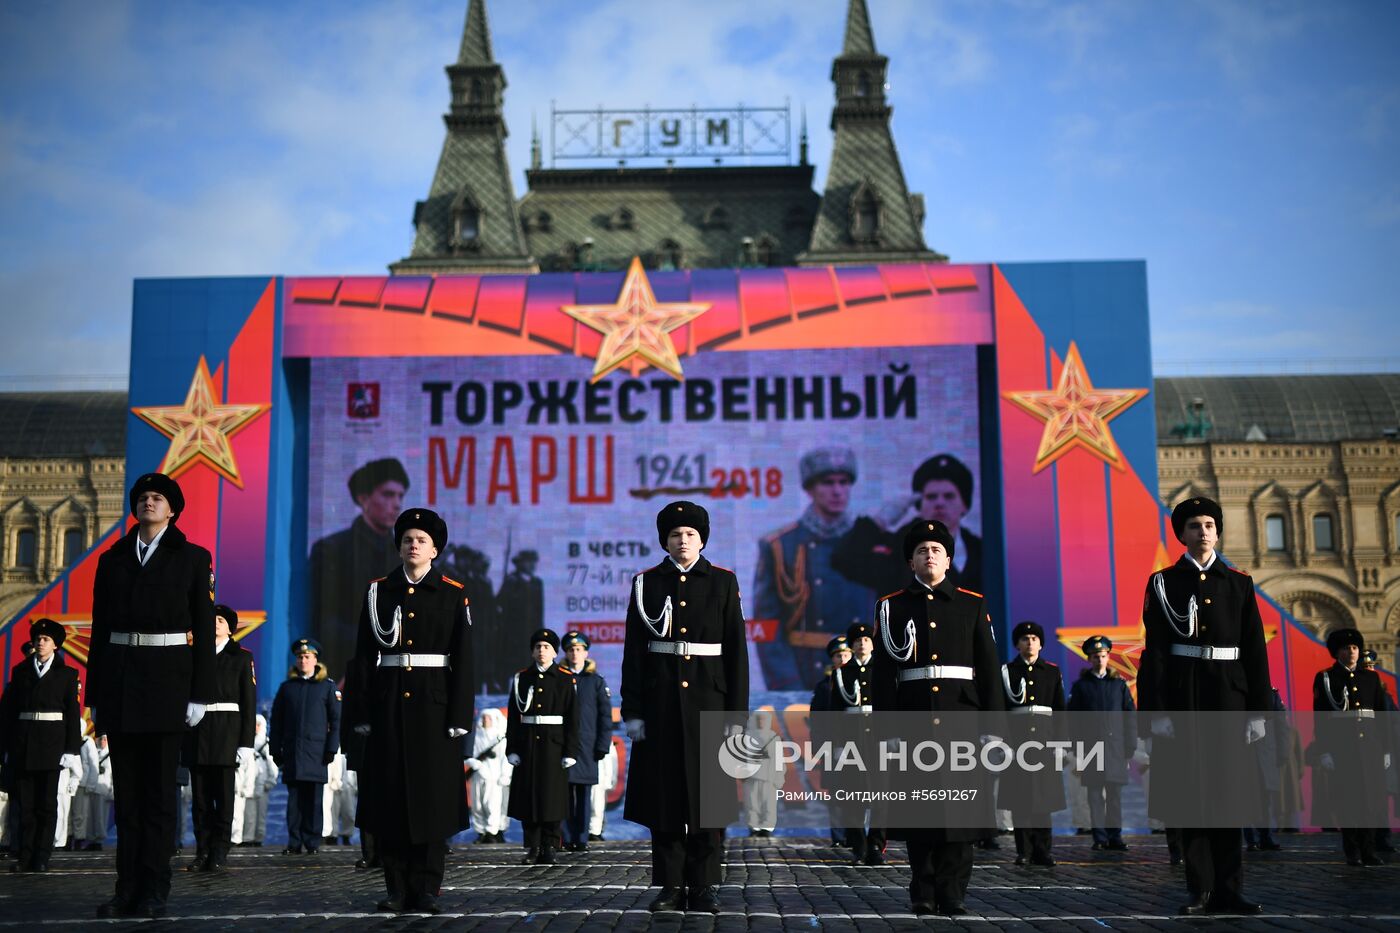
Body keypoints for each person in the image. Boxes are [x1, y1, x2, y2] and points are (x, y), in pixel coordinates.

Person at [87, 473, 216, 918]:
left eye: (157, 498)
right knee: (128, 799)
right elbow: (100, 631)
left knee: (159, 796)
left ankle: (155, 889)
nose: (148, 503)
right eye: (142, 497)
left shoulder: (193, 559)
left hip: (167, 686)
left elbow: (203, 627)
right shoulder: (113, 559)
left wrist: (201, 693)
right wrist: (96, 699)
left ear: (173, 509)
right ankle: (127, 888)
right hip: (122, 685)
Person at [1137, 497, 1271, 916]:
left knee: (1229, 797)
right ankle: (1202, 890)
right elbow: (1155, 651)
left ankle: (1231, 889)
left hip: (1229, 698)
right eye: (1194, 525)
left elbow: (1254, 650)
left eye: (1210, 524)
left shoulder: (1239, 583)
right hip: (1185, 696)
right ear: (1182, 534)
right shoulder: (1163, 583)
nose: (1203, 531)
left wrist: (1257, 711)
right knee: (1191, 796)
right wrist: (1156, 713)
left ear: (1218, 531)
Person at [344, 507, 474, 915]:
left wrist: (458, 718)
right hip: (387, 706)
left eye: (420, 540)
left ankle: (428, 888)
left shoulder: (452, 593)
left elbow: (465, 661)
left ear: (435, 550)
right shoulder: (377, 591)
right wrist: (361, 713)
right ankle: (396, 887)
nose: (412, 545)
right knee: (390, 798)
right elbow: (364, 657)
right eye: (406, 540)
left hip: (434, 710)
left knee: (431, 800)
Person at [621, 501, 749, 914]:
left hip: (709, 701)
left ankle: (705, 884)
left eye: (690, 534)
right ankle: (671, 885)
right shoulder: (646, 584)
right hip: (660, 704)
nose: (683, 541)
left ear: (702, 539)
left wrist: (736, 715)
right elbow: (634, 653)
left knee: (709, 798)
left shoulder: (724, 582)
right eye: (675, 534)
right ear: (665, 540)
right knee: (666, 798)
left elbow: (737, 654)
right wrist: (634, 710)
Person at [870, 521, 1002, 917]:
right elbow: (882, 675)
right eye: (923, 550)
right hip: (912, 720)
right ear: (911, 560)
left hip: (962, 717)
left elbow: (989, 670)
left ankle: (954, 891)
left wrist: (993, 729)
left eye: (937, 549)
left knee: (961, 812)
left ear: (949, 558)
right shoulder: (891, 606)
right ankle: (922, 889)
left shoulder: (971, 603)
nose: (930, 555)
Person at [753, 447, 874, 691]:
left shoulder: (873, 543)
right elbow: (766, 627)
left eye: (843, 482)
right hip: (805, 673)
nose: (837, 491)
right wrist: (788, 686)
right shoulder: (780, 545)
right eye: (827, 483)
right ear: (810, 489)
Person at [308, 457, 410, 680]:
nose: (397, 504)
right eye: (388, 494)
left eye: (400, 496)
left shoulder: (405, 556)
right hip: (345, 668)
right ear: (363, 498)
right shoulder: (332, 549)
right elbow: (323, 620)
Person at [833, 453, 983, 599]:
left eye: (949, 496)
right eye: (931, 497)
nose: (939, 503)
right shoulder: (897, 549)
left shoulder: (980, 550)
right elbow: (844, 559)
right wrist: (880, 521)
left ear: (964, 505)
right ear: (919, 504)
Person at [0, 618, 82, 874]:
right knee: (25, 804)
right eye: (37, 639)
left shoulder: (67, 675)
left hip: (50, 745)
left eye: (45, 639)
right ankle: (25, 855)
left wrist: (71, 750)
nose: (40, 643)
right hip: (23, 744)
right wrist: (4, 748)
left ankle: (42, 856)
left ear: (55, 645)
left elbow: (71, 715)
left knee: (46, 805)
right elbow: (8, 713)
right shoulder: (21, 671)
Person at [184, 605, 255, 872]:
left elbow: (249, 702)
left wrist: (246, 743)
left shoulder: (241, 657)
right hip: (198, 732)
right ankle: (202, 850)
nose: (215, 623)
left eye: (221, 620)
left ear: (230, 627)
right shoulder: (194, 655)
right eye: (211, 619)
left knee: (224, 799)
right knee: (200, 800)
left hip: (227, 733)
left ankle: (219, 851)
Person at [1312, 628, 1390, 866]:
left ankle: (1369, 851)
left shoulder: (1371, 678)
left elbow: (1381, 715)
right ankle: (1352, 851)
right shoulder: (1326, 678)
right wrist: (1324, 750)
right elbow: (1321, 717)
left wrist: (1385, 748)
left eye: (1355, 647)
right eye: (1347, 648)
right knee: (1347, 800)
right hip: (1342, 748)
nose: (1352, 652)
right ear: (1337, 652)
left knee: (1371, 800)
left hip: (1369, 748)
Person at [505, 628, 578, 865]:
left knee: (552, 798)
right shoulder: (521, 678)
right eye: (537, 647)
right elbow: (513, 717)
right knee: (529, 797)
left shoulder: (566, 678)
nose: (541, 651)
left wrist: (570, 751)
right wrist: (512, 749)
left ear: (555, 652)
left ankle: (550, 846)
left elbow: (573, 718)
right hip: (528, 745)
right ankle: (533, 846)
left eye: (546, 647)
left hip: (554, 746)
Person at [998, 621, 1065, 867]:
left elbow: (1059, 711)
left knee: (1043, 799)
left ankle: (1043, 850)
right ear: (1017, 643)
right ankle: (1023, 850)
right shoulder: (1007, 671)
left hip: (1044, 742)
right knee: (1020, 798)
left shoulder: (1051, 671)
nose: (1030, 642)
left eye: (1035, 638)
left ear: (1041, 643)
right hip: (1017, 743)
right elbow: (1001, 710)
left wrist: (1060, 744)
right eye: (1025, 638)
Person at [269, 638, 341, 857]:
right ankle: (294, 841)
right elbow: (277, 721)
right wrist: (275, 749)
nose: (303, 660)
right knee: (294, 802)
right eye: (300, 657)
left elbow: (336, 720)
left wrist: (331, 748)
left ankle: (312, 841)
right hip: (293, 752)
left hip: (316, 753)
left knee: (313, 801)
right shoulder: (287, 688)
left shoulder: (326, 687)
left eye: (307, 657)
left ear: (315, 660)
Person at [1066, 635, 1136, 852]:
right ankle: (1100, 837)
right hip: (1091, 749)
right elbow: (1073, 721)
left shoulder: (1118, 685)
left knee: (1114, 797)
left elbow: (1129, 717)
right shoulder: (1081, 687)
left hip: (1115, 749)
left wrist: (1129, 748)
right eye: (1095, 656)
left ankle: (1115, 836)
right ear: (1089, 658)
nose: (1100, 659)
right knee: (1095, 796)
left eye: (1103, 655)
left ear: (1108, 657)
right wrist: (1077, 751)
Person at [829, 622, 885, 865]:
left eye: (866, 640)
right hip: (852, 737)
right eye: (857, 641)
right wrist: (838, 745)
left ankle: (876, 845)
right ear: (851, 646)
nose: (862, 644)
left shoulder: (883, 668)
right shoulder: (842, 673)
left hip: (879, 737)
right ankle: (858, 845)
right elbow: (835, 712)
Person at [558, 631, 613, 853]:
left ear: (586, 653)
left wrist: (602, 745)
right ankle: (564, 837)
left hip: (587, 746)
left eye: (579, 650)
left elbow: (605, 716)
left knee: (584, 795)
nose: (575, 653)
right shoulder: (559, 678)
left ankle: (580, 838)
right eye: (571, 650)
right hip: (562, 745)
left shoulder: (596, 681)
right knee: (562, 794)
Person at [495, 550, 544, 692]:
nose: (532, 565)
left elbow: (539, 610)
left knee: (530, 664)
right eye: (528, 562)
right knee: (512, 666)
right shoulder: (512, 581)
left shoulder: (536, 583)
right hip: (513, 633)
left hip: (531, 631)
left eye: (533, 562)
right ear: (520, 564)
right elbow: (499, 603)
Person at [467, 708, 511, 844]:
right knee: (477, 805)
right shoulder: (476, 737)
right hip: (478, 777)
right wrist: (472, 762)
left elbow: (505, 758)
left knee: (493, 805)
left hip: (494, 777)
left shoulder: (500, 738)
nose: (485, 720)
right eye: (484, 718)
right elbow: (467, 754)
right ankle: (481, 832)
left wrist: (505, 775)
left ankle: (492, 832)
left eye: (489, 718)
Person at [741, 710, 785, 837]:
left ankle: (767, 827)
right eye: (759, 719)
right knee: (752, 803)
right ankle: (753, 826)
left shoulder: (774, 738)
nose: (761, 722)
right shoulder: (747, 738)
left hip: (769, 777)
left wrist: (780, 776)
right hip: (752, 776)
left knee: (769, 804)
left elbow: (779, 760)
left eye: (764, 719)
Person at [235, 714, 277, 847]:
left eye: (259, 725)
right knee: (247, 814)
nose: (256, 728)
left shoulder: (266, 744)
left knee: (261, 815)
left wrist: (270, 782)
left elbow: (272, 764)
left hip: (262, 784)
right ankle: (245, 838)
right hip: (247, 784)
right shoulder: (245, 742)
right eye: (254, 724)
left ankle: (258, 838)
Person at [72, 730, 112, 850]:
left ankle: (98, 840)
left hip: (103, 788)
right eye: (100, 739)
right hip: (94, 788)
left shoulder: (108, 754)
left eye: (105, 739)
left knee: (100, 817)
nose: (102, 742)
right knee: (91, 817)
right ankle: (92, 840)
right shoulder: (97, 751)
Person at [589, 738, 618, 842]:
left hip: (601, 776)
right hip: (592, 772)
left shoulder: (606, 740)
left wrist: (610, 780)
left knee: (598, 805)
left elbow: (612, 763)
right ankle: (592, 830)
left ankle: (596, 830)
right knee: (593, 804)